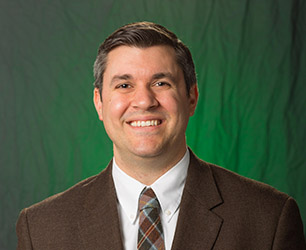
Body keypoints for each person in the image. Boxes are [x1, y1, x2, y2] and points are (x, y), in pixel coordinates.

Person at [16, 21, 305, 250]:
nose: (144, 101)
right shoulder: (41, 229)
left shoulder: (269, 219)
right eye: (124, 85)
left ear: (191, 98)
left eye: (161, 82)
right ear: (99, 103)